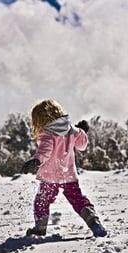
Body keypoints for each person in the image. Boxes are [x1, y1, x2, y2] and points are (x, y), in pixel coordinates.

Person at [22, 99, 107, 237]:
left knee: (42, 200)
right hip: (69, 175)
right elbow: (82, 145)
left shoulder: (47, 133)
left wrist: (36, 161)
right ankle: (94, 223)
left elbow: (45, 151)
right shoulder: (72, 130)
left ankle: (40, 228)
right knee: (79, 200)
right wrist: (82, 132)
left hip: (50, 177)